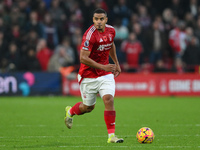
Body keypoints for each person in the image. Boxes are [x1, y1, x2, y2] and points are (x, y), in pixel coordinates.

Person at [64, 8, 124, 143]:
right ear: (93, 20)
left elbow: (111, 44)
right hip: (88, 75)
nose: (99, 22)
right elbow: (83, 58)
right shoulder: (89, 35)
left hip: (105, 74)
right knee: (88, 107)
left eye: (101, 19)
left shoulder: (111, 31)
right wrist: (104, 66)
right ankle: (70, 112)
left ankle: (111, 136)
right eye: (96, 19)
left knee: (108, 99)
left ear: (106, 20)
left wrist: (116, 63)